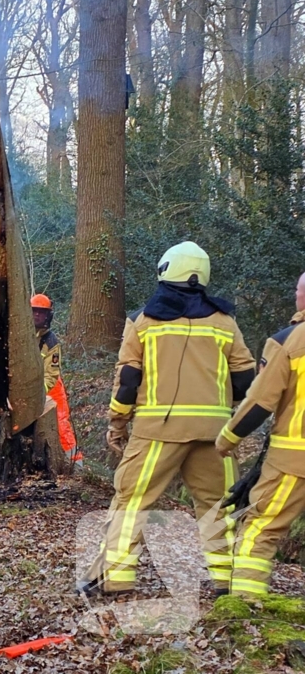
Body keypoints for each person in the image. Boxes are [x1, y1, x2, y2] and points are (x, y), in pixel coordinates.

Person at [78, 241, 256, 596]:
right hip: (215, 434)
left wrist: (117, 422)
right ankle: (227, 581)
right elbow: (245, 380)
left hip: (157, 431)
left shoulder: (144, 321)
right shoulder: (225, 322)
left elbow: (128, 380)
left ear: (165, 270)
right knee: (220, 506)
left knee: (132, 502)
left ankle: (115, 579)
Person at [215, 271, 305, 597]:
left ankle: (244, 608)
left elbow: (259, 403)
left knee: (260, 528)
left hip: (293, 460)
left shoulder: (289, 341)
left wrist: (227, 439)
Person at [31, 294, 83, 465]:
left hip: (51, 390)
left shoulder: (51, 342)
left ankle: (75, 463)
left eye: (41, 312)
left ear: (48, 315)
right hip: (29, 388)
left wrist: (40, 393)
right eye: (34, 311)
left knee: (61, 426)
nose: (37, 315)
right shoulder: (22, 336)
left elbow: (51, 374)